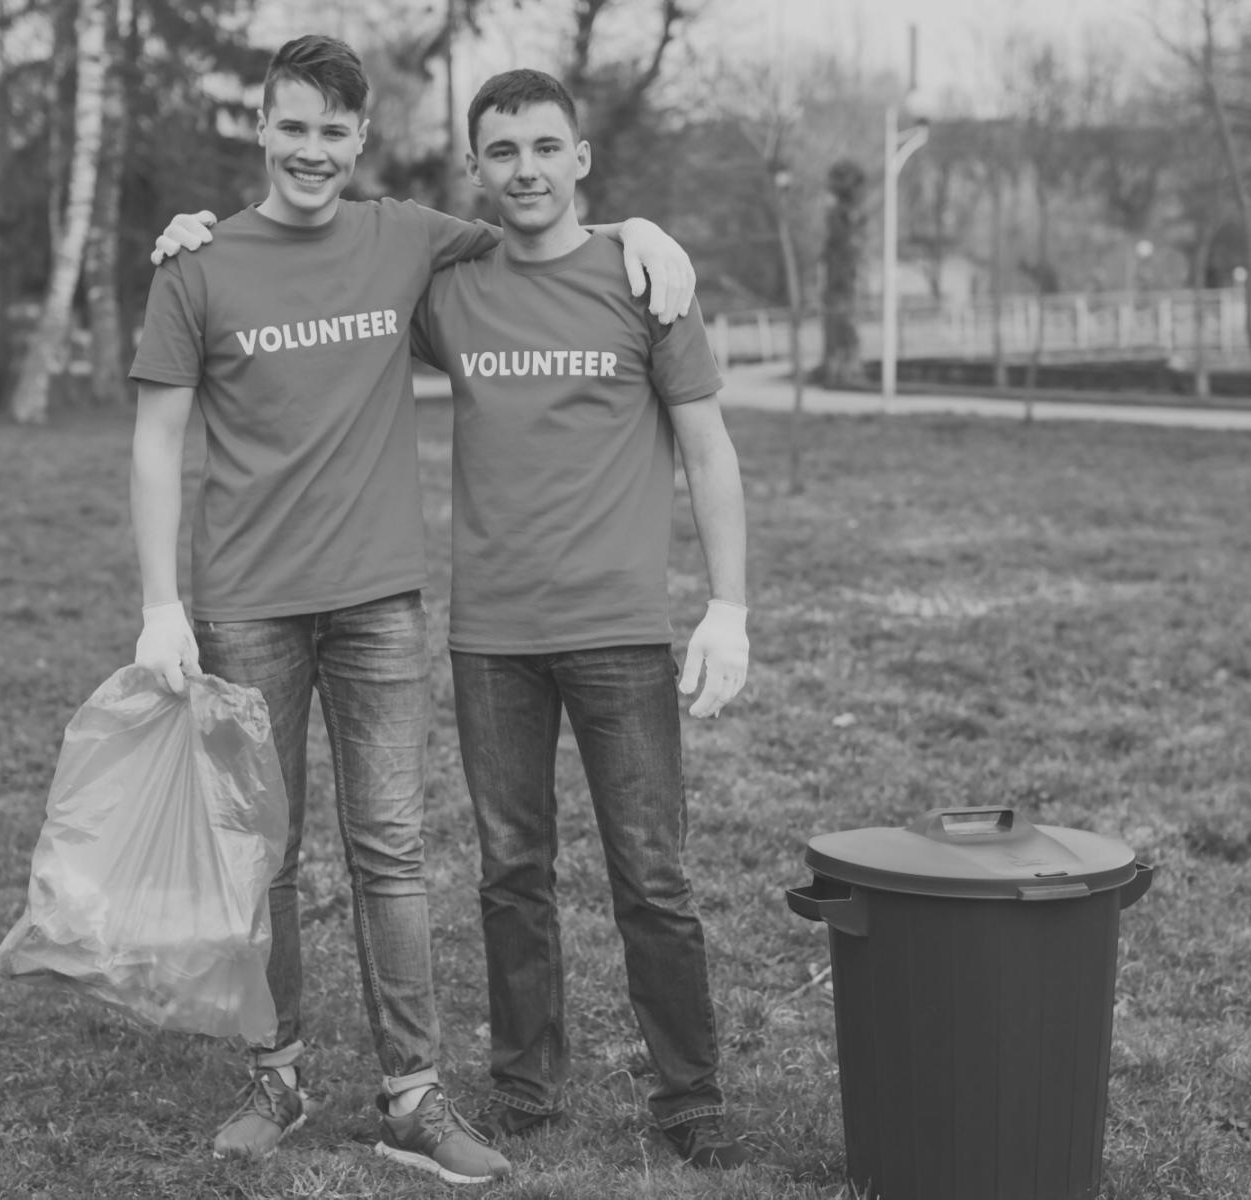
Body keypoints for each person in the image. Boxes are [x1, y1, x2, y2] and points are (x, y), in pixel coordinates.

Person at [127, 35, 693, 1183]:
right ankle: (276, 1074)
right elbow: (154, 441)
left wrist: (641, 227)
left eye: (336, 132)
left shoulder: (406, 238)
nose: (314, 150)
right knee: (265, 856)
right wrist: (159, 603)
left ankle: (414, 1095)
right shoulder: (198, 265)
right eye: (294, 127)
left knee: (392, 852)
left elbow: (543, 230)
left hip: (383, 600)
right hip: (246, 605)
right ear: (263, 131)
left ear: (360, 141)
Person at [406, 68, 753, 1170]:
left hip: (619, 633)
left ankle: (688, 1095)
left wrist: (729, 608)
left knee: (650, 872)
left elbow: (708, 448)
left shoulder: (643, 280)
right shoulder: (450, 291)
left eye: (546, 148)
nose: (526, 170)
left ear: (581, 158)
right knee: (510, 872)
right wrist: (204, 233)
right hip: (491, 639)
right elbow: (324, 277)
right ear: (476, 168)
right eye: (502, 152)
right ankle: (525, 1085)